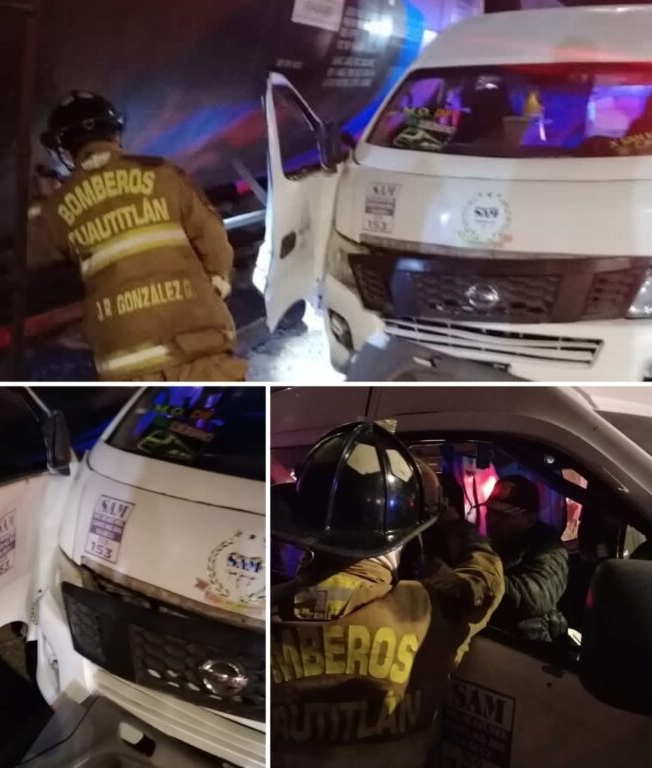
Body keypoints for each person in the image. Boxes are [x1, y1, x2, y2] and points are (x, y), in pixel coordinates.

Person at [271, 422, 504, 768]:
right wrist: (448, 522)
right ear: (407, 536)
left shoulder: (266, 608)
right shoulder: (430, 609)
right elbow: (488, 578)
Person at [27, 90, 246, 381]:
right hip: (200, 347)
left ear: (65, 151)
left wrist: (41, 203)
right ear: (115, 134)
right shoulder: (164, 173)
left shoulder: (57, 206)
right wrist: (213, 291)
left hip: (130, 366)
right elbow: (213, 236)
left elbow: (33, 256)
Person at [485, 475, 569, 643]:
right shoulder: (495, 545)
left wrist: (477, 581)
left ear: (529, 519)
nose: (491, 520)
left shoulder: (550, 550)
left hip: (532, 651)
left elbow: (534, 598)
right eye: (490, 511)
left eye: (503, 515)